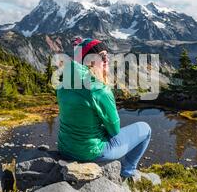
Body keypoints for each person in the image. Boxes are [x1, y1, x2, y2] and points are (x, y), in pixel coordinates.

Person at [56, 38, 151, 178]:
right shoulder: (99, 89)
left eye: (107, 55)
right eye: (102, 56)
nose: (107, 59)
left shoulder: (63, 84)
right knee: (145, 128)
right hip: (91, 153)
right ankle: (128, 171)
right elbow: (114, 130)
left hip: (65, 148)